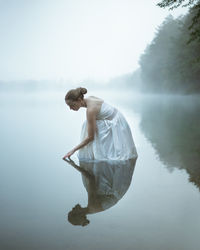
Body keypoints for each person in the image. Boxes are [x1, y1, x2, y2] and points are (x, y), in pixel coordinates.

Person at [63, 87, 137, 161]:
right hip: (117, 116)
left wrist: (73, 150)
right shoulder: (90, 98)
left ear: (79, 100)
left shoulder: (90, 110)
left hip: (116, 122)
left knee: (88, 126)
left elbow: (90, 137)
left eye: (72, 105)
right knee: (87, 124)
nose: (70, 108)